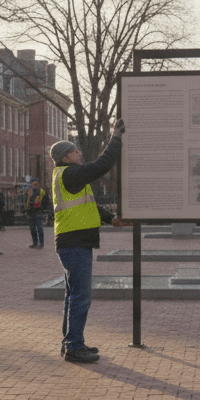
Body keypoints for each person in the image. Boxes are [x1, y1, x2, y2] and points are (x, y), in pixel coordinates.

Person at [49, 120, 129, 363]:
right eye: (74, 151)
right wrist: (115, 137)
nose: (79, 152)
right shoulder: (70, 174)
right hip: (74, 242)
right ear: (64, 157)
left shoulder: (68, 176)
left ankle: (72, 342)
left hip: (72, 241)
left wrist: (111, 218)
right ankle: (74, 346)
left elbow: (89, 206)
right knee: (80, 296)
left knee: (72, 296)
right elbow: (102, 165)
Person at [25, 178, 49, 248]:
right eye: (33, 184)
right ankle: (35, 242)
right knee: (32, 228)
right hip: (31, 211)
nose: (35, 186)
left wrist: (43, 209)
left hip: (38, 211)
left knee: (39, 228)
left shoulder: (42, 192)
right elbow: (27, 201)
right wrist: (27, 210)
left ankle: (41, 243)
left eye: (36, 184)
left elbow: (46, 201)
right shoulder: (30, 191)